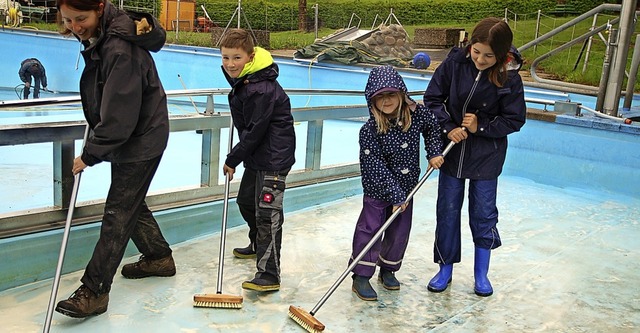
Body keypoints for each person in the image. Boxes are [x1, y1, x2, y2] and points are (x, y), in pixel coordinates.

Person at [54, 0, 175, 318]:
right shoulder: (104, 36)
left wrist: (90, 154)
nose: (75, 26)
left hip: (141, 138)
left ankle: (94, 291)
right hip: (137, 134)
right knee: (130, 202)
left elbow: (120, 116)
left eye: (81, 18)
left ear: (99, 9)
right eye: (67, 20)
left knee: (118, 213)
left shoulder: (118, 46)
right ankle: (158, 257)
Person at [422, 17, 526, 297]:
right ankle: (445, 268)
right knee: (447, 211)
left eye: (489, 56)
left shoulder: (510, 76)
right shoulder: (455, 63)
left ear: (502, 55)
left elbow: (514, 120)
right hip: (452, 153)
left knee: (483, 214)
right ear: (470, 46)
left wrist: (479, 127)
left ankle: (481, 274)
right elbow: (432, 99)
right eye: (476, 52)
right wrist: (449, 127)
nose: (480, 59)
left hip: (486, 157)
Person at [350, 65, 444, 301]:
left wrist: (433, 152)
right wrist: (394, 195)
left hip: (407, 187)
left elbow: (433, 128)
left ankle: (388, 268)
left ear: (402, 93)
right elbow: (376, 168)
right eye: (379, 97)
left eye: (391, 94)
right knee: (370, 231)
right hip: (378, 190)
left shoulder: (417, 114)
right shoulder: (369, 130)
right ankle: (361, 275)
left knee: (399, 231)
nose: (387, 100)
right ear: (371, 100)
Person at [219, 28, 296, 292]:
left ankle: (269, 274)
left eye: (236, 58)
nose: (230, 64)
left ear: (250, 57)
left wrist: (232, 159)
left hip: (273, 158)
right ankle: (258, 245)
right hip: (258, 155)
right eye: (226, 57)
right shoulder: (247, 81)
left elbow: (255, 130)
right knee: (245, 202)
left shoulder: (260, 88)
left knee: (268, 215)